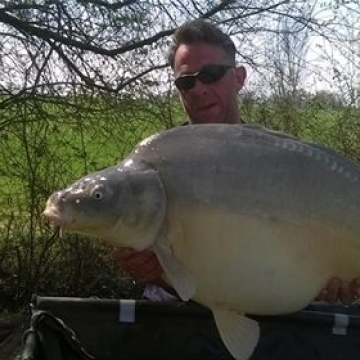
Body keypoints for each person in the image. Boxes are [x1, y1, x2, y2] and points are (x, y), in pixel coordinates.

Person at [113, 19, 360, 303]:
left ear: (239, 78)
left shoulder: (279, 162)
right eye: (186, 81)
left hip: (268, 312)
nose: (198, 89)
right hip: (180, 317)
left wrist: (334, 284)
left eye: (212, 74)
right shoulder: (155, 167)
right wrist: (144, 269)